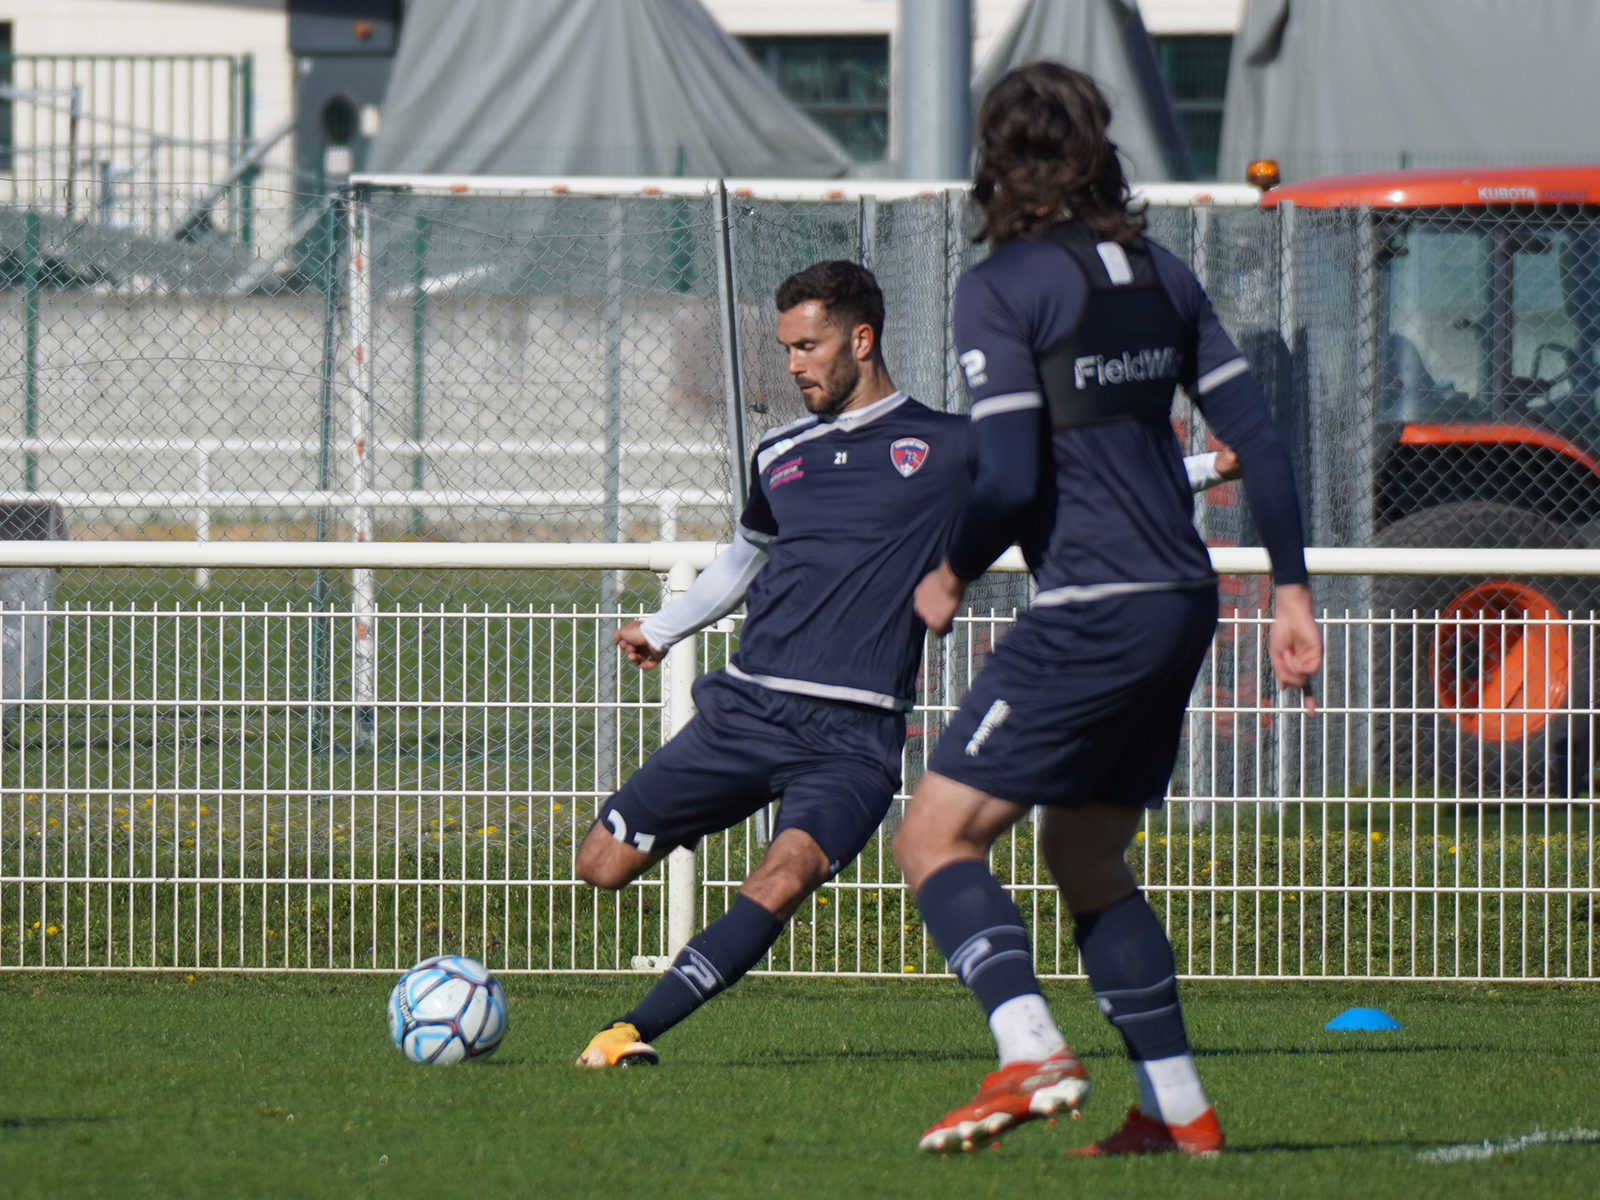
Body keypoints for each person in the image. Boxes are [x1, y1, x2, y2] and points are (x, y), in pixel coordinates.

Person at [573, 259, 1240, 1069]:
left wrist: (1207, 468)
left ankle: (630, 1031)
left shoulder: (955, 446)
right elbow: (738, 564)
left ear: (862, 338)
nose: (794, 365)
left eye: (809, 346)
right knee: (600, 867)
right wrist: (664, 628)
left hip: (852, 740)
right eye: (786, 348)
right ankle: (641, 988)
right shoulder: (779, 454)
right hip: (745, 712)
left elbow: (1076, 482)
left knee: (783, 877)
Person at [893, 63, 1323, 1158]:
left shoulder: (1002, 285)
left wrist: (948, 570)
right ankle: (1181, 1115)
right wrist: (1288, 587)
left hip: (1092, 600)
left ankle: (1029, 1046)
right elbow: (1258, 442)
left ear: (995, 159)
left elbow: (1002, 477)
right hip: (1185, 598)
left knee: (935, 837)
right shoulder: (1162, 276)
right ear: (1098, 147)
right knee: (1084, 855)